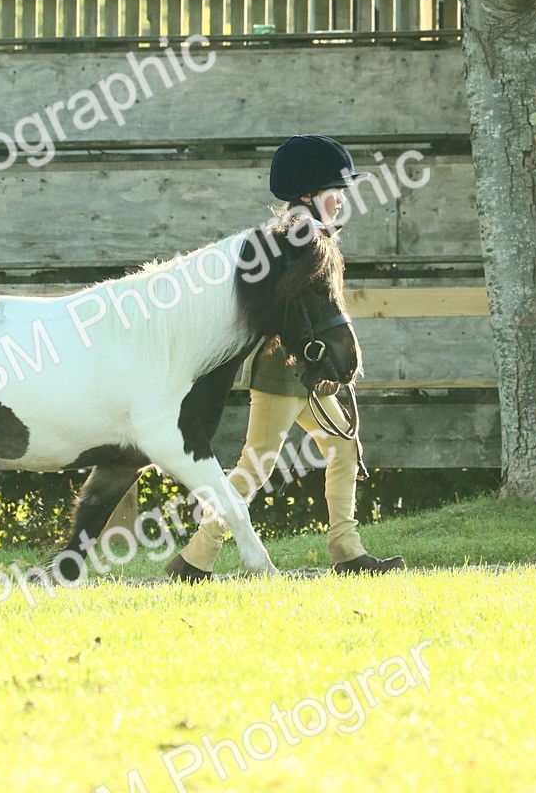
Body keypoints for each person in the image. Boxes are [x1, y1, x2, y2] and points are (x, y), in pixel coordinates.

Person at [166, 135, 405, 579]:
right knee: (257, 466)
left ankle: (347, 550)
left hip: (300, 369)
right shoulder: (301, 235)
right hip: (286, 370)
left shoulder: (302, 232)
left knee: (340, 446)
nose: (343, 199)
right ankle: (196, 555)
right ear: (310, 191)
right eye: (337, 190)